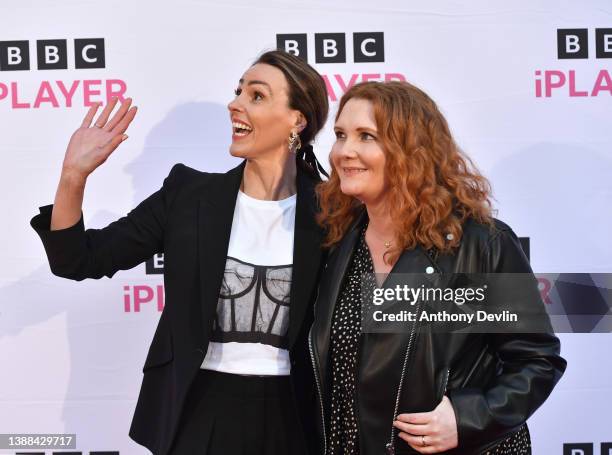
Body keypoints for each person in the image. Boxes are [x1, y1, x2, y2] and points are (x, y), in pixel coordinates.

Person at [30, 49, 329, 455]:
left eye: (256, 96)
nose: (235, 104)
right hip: (197, 409)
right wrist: (73, 176)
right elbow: (78, 260)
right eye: (238, 91)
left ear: (297, 119)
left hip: (296, 416)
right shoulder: (188, 195)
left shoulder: (336, 213)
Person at [309, 81, 567, 454]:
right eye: (340, 135)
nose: (345, 151)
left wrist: (467, 418)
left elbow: (535, 360)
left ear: (410, 150)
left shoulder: (477, 245)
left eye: (366, 136)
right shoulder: (337, 244)